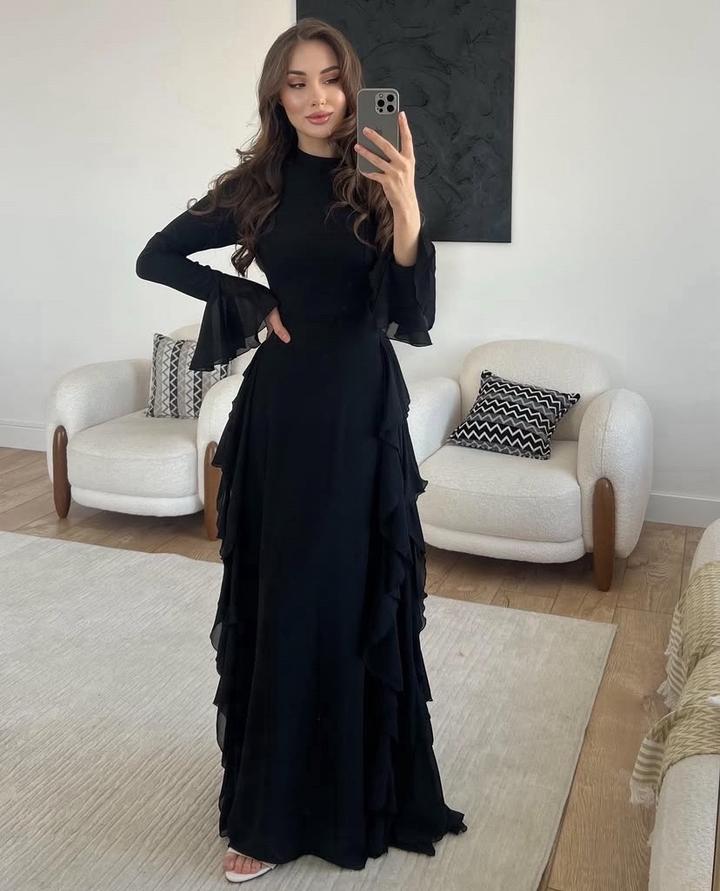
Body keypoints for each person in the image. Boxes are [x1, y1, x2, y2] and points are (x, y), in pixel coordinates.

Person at [135, 16, 467, 884]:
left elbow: (410, 316)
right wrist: (250, 304)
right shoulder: (259, 185)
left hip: (361, 412)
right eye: (296, 83)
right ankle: (270, 814)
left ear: (352, 86)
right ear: (276, 97)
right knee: (284, 597)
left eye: (329, 79)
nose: (316, 97)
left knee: (351, 595)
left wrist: (408, 207)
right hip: (283, 412)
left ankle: (360, 794)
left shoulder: (378, 178)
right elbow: (156, 255)